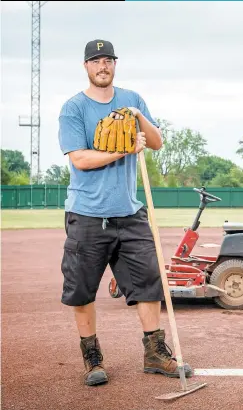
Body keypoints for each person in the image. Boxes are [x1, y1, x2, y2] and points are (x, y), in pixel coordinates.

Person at [58, 39, 193, 386]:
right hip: (87, 214)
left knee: (149, 282)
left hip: (130, 213)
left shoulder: (132, 100)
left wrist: (139, 118)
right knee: (82, 289)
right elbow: (81, 159)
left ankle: (155, 353)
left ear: (115, 64)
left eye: (108, 60)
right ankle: (92, 357)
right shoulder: (73, 108)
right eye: (96, 61)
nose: (103, 66)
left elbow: (157, 141)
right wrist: (123, 150)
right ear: (86, 66)